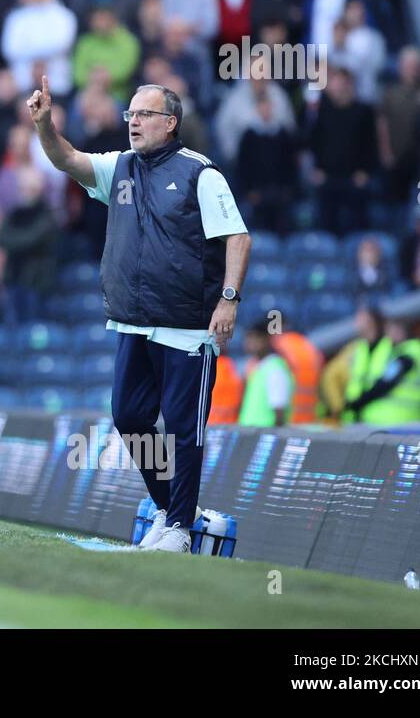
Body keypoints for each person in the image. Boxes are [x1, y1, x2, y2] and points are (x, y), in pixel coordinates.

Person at [28, 75, 252, 553]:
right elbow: (67, 159)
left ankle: (178, 528)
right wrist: (46, 126)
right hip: (133, 323)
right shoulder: (121, 168)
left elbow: (237, 236)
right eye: (130, 113)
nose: (133, 121)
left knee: (182, 428)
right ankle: (174, 511)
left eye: (144, 114)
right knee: (129, 417)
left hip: (188, 327)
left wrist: (228, 299)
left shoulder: (200, 174)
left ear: (170, 123)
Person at [343, 317, 420, 425]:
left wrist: (359, 402)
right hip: (402, 419)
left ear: (399, 331)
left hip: (400, 420)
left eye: (390, 331)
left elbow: (386, 382)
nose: (388, 336)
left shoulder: (408, 354)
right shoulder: (406, 350)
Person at [238, 321, 294, 427]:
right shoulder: (258, 367)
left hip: (263, 434)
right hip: (252, 434)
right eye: (248, 338)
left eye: (255, 338)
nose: (250, 343)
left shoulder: (275, 369)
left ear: (266, 339)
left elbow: (279, 410)